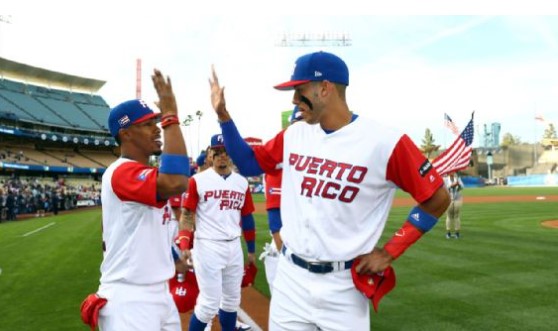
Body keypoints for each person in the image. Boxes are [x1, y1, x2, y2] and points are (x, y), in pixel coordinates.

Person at [208, 51, 450, 330]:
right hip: (291, 281)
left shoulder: (385, 142)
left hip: (344, 286)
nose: (294, 100)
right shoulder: (296, 133)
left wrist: (390, 251)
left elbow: (437, 197)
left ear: (325, 88)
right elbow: (249, 163)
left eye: (299, 91)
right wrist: (223, 116)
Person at [81, 69, 190, 331]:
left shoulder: (144, 175)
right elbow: (176, 182)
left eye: (156, 121)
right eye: (147, 124)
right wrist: (170, 116)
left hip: (157, 294)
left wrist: (174, 255)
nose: (156, 129)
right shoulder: (121, 171)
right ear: (126, 133)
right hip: (130, 300)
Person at [180, 134, 256, 331]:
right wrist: (184, 243)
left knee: (232, 300)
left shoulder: (241, 183)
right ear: (210, 155)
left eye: (225, 152)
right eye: (217, 152)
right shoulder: (198, 180)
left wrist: (251, 249)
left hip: (233, 245)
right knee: (209, 303)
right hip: (208, 245)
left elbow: (247, 218)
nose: (222, 156)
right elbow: (187, 214)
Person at [259, 106, 303, 295]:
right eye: (297, 126)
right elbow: (276, 223)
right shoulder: (280, 167)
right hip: (287, 251)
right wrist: (291, 264)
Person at [444, 171, 464, 239]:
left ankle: (457, 232)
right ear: (448, 172)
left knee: (456, 216)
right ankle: (448, 232)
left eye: (453, 171)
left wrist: (458, 185)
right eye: (451, 171)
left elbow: (462, 187)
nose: (452, 173)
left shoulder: (458, 178)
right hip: (448, 199)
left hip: (457, 199)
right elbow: (444, 189)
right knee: (449, 216)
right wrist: (452, 185)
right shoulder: (445, 179)